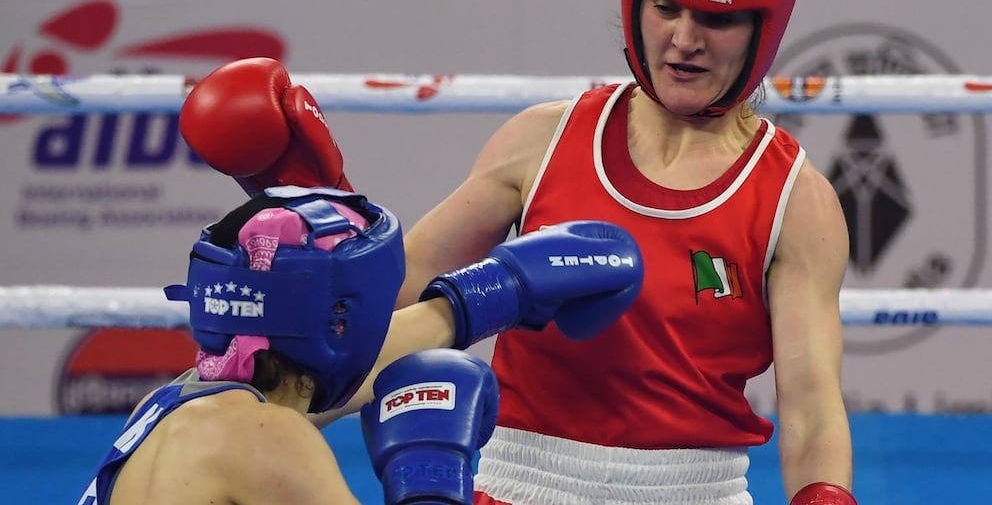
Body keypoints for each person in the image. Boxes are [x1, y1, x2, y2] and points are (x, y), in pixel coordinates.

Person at [389, 0, 857, 504]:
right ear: (636, 3)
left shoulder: (796, 199)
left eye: (716, 18)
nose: (684, 40)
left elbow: (811, 409)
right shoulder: (542, 142)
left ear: (762, 29)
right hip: (521, 484)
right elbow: (401, 287)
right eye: (666, 6)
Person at [75, 185, 644, 505]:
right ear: (337, 320)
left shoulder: (175, 407)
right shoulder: (268, 438)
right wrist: (431, 490)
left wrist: (499, 290)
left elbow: (365, 353)